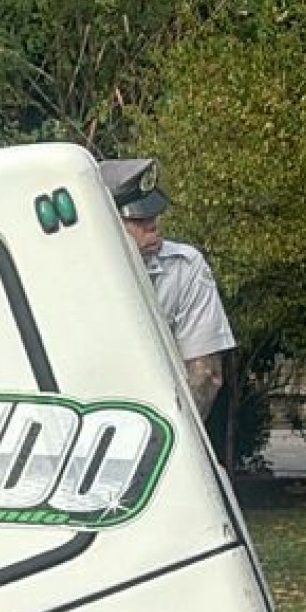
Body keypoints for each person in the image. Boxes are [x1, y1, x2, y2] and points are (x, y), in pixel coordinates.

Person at [105, 160, 233, 426]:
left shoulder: (184, 266)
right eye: (138, 220)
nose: (152, 226)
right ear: (105, 223)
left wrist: (176, 436)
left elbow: (205, 374)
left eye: (153, 216)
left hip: (163, 419)